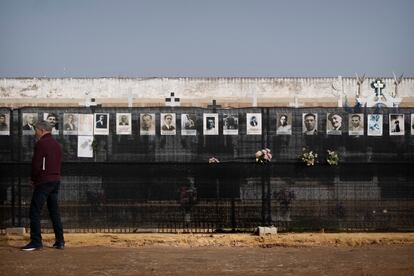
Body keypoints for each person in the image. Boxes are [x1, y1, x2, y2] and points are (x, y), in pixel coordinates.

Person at [21, 120, 64, 251]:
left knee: (35, 211)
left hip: (44, 181)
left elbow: (36, 164)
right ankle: (60, 241)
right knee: (54, 212)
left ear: (41, 130)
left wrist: (33, 179)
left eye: (36, 131)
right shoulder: (57, 144)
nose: (35, 133)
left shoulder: (41, 144)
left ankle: (36, 242)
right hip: (55, 180)